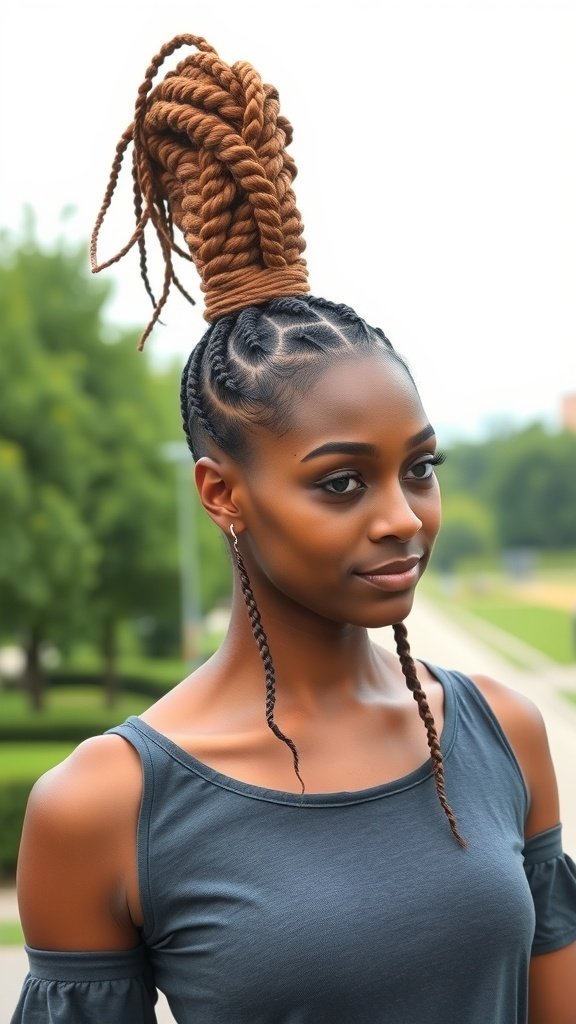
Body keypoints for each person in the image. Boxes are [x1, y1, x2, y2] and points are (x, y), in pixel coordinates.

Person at [11, 32, 576, 1024]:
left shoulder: (504, 735)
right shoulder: (105, 804)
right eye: (342, 482)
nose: (402, 518)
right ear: (221, 494)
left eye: (420, 468)